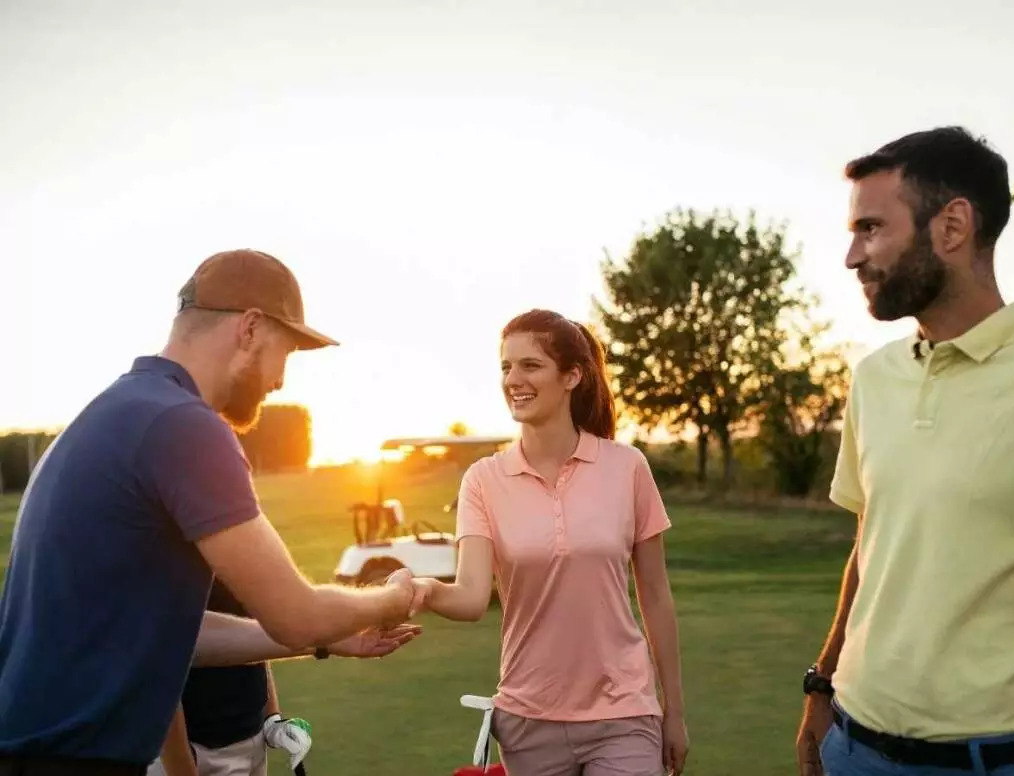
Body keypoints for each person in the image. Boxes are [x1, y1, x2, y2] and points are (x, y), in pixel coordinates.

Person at [0, 249, 426, 776]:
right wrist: (391, 597)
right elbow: (295, 611)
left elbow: (177, 633)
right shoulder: (183, 424)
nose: (281, 382)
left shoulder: (123, 410)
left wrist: (327, 639)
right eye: (285, 353)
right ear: (250, 330)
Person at [795, 126, 1014, 776]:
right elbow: (872, 541)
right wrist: (823, 681)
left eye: (871, 228)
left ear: (951, 225)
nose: (851, 255)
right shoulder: (874, 379)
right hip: (852, 746)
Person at [399, 309, 689, 776]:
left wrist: (674, 712)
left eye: (530, 365)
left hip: (624, 713)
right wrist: (425, 589)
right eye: (506, 367)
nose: (513, 379)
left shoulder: (627, 467)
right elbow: (472, 597)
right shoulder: (483, 480)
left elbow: (655, 596)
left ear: (572, 375)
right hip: (528, 719)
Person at [150, 579, 423, 776]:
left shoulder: (233, 527)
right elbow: (159, 652)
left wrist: (272, 720)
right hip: (183, 754)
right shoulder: (157, 532)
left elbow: (256, 625)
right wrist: (392, 598)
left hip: (249, 742)